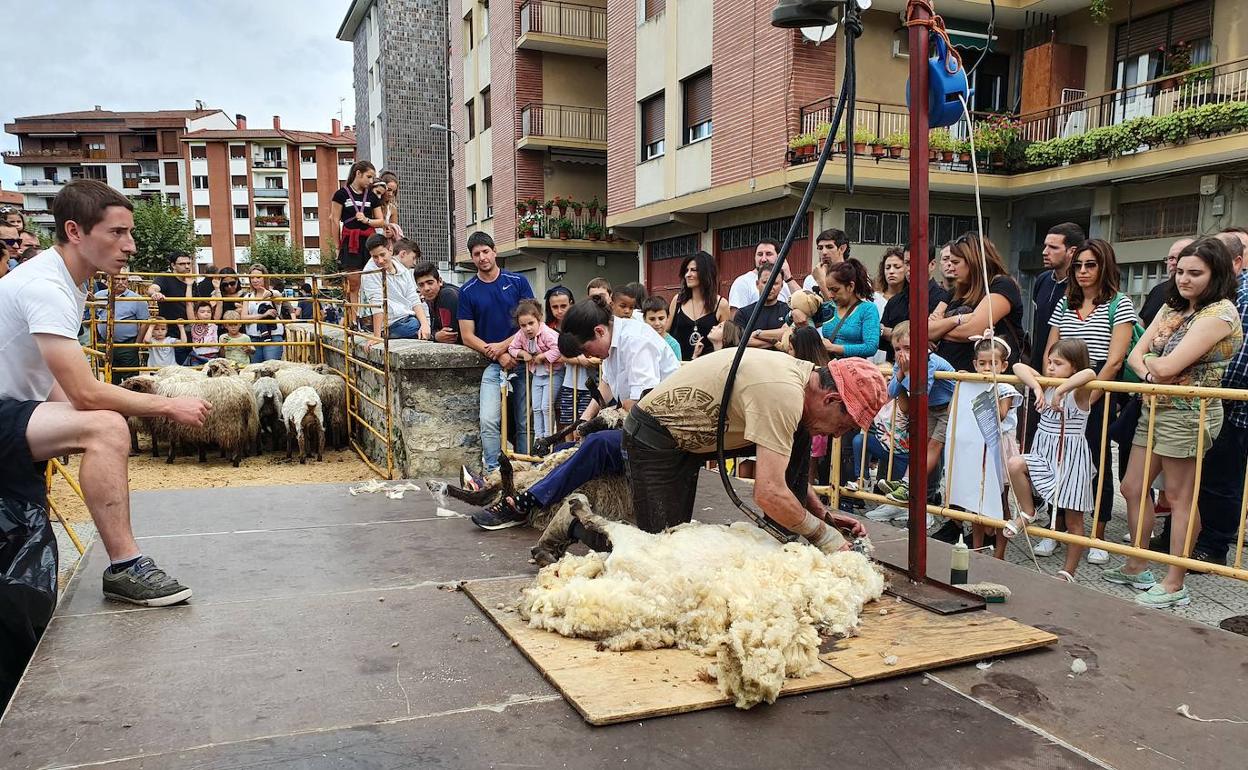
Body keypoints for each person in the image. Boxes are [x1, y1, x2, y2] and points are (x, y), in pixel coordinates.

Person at [0, 180, 208, 615]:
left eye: (130, 233)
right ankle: (124, 566)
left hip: (14, 410)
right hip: (7, 412)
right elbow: (86, 393)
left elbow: (56, 384)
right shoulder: (47, 288)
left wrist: (68, 423)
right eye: (117, 233)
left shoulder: (64, 280)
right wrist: (170, 404)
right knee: (106, 425)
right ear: (75, 232)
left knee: (95, 424)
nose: (130, 245)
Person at [623, 350, 884, 553]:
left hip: (694, 435)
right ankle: (587, 532)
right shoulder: (784, 394)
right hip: (655, 436)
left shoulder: (805, 383)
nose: (838, 435)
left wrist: (823, 517)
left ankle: (781, 544)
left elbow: (783, 468)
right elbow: (769, 492)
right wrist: (825, 537)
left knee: (801, 433)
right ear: (830, 400)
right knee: (662, 549)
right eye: (842, 425)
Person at [1108, 236, 1243, 608]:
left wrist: (1155, 367)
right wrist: (1156, 371)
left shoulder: (1221, 313)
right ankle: (1137, 564)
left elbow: (1162, 364)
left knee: (1181, 497)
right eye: (1180, 271)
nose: (1183, 279)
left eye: (1195, 273)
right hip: (1155, 406)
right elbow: (1138, 357)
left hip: (1189, 413)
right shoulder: (1172, 307)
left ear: (1215, 274)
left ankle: (1174, 581)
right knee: (1133, 487)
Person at [471, 296, 679, 531]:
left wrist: (600, 423)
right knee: (564, 449)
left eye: (586, 349)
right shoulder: (612, 339)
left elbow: (639, 405)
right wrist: (584, 420)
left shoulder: (637, 342)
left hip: (659, 434)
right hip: (639, 426)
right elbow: (607, 386)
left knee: (597, 443)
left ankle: (524, 503)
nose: (588, 355)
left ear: (599, 331)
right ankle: (510, 486)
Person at [1037, 238, 1137, 563]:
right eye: (1078, 264)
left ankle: (1098, 534)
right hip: (1060, 396)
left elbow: (1114, 360)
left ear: (1104, 266)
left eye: (1090, 265)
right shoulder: (1066, 302)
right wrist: (1051, 388)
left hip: (1097, 398)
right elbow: (1051, 348)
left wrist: (1089, 397)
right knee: (1055, 458)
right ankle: (1056, 527)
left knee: (1095, 462)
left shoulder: (1119, 303)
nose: (1082, 271)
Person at [1005, 340, 1098, 582]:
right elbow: (1018, 367)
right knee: (1015, 464)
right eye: (1049, 362)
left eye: (1058, 363)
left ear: (1073, 368)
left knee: (1073, 518)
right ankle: (1028, 511)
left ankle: (1068, 571)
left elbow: (1091, 372)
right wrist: (1037, 387)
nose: (1051, 367)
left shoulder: (1078, 391)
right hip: (1044, 453)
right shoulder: (1045, 384)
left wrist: (1060, 390)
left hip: (1071, 457)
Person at [1189, 229, 1248, 565]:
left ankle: (1212, 546)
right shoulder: (1206, 298)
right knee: (1192, 480)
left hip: (1229, 400)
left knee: (1220, 479)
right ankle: (1187, 538)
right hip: (1199, 399)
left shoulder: (1233, 301)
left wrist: (1222, 387)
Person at [457, 231, 535, 470]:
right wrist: (499, 354)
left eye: (485, 251)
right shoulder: (467, 290)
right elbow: (467, 335)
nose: (482, 257)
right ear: (472, 258)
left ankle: (526, 468)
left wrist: (505, 346)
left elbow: (532, 323)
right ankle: (493, 470)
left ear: (495, 251)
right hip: (492, 365)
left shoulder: (518, 282)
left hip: (523, 361)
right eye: (476, 254)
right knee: (489, 419)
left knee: (524, 421)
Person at [878, 321, 955, 506]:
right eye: (897, 349)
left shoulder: (928, 361)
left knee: (934, 446)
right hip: (931, 408)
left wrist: (905, 372)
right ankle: (908, 482)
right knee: (921, 446)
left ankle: (909, 484)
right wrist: (901, 373)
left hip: (949, 406)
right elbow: (891, 392)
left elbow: (920, 391)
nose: (901, 353)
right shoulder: (902, 363)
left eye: (907, 347)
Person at [928, 233, 1024, 372]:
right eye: (949, 262)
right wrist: (957, 320)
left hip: (987, 379)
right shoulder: (954, 291)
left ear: (973, 261)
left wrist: (940, 329)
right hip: (950, 377)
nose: (951, 267)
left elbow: (973, 330)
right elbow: (926, 330)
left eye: (956, 262)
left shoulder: (1002, 285)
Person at [330, 160, 384, 324]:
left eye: (372, 177)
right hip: (350, 241)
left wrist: (367, 220)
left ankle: (372, 319)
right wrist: (336, 246)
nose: (370, 181)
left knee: (372, 279)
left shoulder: (372, 196)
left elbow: (380, 221)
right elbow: (334, 220)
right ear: (358, 174)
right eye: (368, 177)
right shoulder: (341, 194)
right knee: (353, 282)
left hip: (368, 241)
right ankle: (353, 320)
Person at [879, 243, 949, 363]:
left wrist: (889, 332)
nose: (911, 268)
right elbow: (880, 340)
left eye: (918, 262)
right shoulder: (894, 301)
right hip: (896, 371)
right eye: (907, 263)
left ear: (932, 265)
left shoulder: (944, 299)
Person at [507, 299, 562, 443]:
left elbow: (558, 348)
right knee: (536, 407)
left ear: (539, 320)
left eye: (531, 323)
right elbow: (512, 348)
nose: (528, 329)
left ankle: (548, 438)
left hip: (553, 373)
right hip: (537, 374)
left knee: (546, 407)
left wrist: (543, 356)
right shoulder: (521, 334)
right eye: (523, 325)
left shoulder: (547, 333)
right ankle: (539, 438)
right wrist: (522, 354)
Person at [362, 235, 429, 342]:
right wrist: (376, 336)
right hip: (389, 325)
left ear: (390, 250)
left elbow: (413, 298)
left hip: (406, 319)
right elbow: (377, 304)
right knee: (416, 327)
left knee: (426, 324)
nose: (380, 260)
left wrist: (425, 324)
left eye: (382, 255)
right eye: (375, 257)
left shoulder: (402, 269)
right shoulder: (370, 272)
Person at [667, 250, 730, 360]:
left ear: (706, 273)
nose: (688, 275)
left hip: (706, 369)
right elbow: (665, 332)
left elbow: (726, 341)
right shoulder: (678, 301)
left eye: (693, 270)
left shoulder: (721, 304)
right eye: (686, 270)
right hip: (677, 367)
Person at [145, 251, 203, 365]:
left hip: (191, 330)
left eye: (188, 263)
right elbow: (153, 288)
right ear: (173, 265)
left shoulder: (192, 283)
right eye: (182, 264)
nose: (186, 266)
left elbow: (197, 304)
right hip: (170, 331)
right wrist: (154, 294)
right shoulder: (166, 278)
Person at [93, 271, 149, 384]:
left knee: (131, 379)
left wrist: (136, 344)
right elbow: (94, 316)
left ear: (127, 280)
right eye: (117, 279)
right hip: (105, 344)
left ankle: (130, 401)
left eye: (124, 279)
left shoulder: (137, 299)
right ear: (110, 279)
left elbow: (144, 322)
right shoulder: (99, 296)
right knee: (110, 377)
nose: (120, 282)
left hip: (127, 345)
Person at [820, 259, 880, 359]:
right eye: (828, 289)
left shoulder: (867, 309)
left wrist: (834, 348)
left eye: (835, 290)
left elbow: (870, 347)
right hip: (828, 368)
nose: (830, 295)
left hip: (854, 369)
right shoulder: (828, 307)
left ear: (851, 286)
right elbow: (803, 319)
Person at [728, 239, 799, 311]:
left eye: (768, 254)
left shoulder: (785, 283)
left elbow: (804, 305)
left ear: (779, 257)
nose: (763, 259)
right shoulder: (742, 282)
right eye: (760, 254)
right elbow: (735, 318)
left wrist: (788, 278)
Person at [734, 265, 790, 349]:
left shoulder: (788, 311)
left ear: (782, 286)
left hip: (781, 361)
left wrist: (757, 334)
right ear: (757, 284)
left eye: (775, 283)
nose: (770, 287)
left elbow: (791, 337)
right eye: (765, 282)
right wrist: (779, 340)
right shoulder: (743, 314)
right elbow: (742, 342)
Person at [1139, 238, 1193, 326]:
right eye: (1171, 258)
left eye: (1180, 257)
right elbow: (1143, 326)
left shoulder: (1200, 298)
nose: (1174, 263)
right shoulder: (1157, 291)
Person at [242, 265, 288, 363]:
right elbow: (243, 317)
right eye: (252, 278)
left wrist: (270, 293)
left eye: (258, 277)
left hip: (273, 336)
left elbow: (278, 295)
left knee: (271, 367)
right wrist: (263, 316)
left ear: (265, 278)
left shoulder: (273, 294)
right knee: (255, 369)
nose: (255, 280)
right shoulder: (248, 296)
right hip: (253, 337)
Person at [413, 260, 460, 344]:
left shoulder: (447, 295)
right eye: (421, 285)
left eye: (430, 283)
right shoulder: (432, 298)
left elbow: (450, 336)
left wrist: (434, 336)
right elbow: (436, 330)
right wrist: (435, 335)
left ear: (440, 281)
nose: (426, 288)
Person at [804, 228, 850, 294]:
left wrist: (821, 282)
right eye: (820, 248)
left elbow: (840, 304)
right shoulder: (811, 279)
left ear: (842, 249)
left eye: (829, 247)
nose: (824, 252)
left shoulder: (855, 276)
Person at [643, 295, 682, 360]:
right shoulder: (641, 340)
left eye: (661, 318)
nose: (657, 323)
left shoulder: (673, 345)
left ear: (668, 317)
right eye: (652, 319)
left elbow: (678, 368)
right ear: (644, 319)